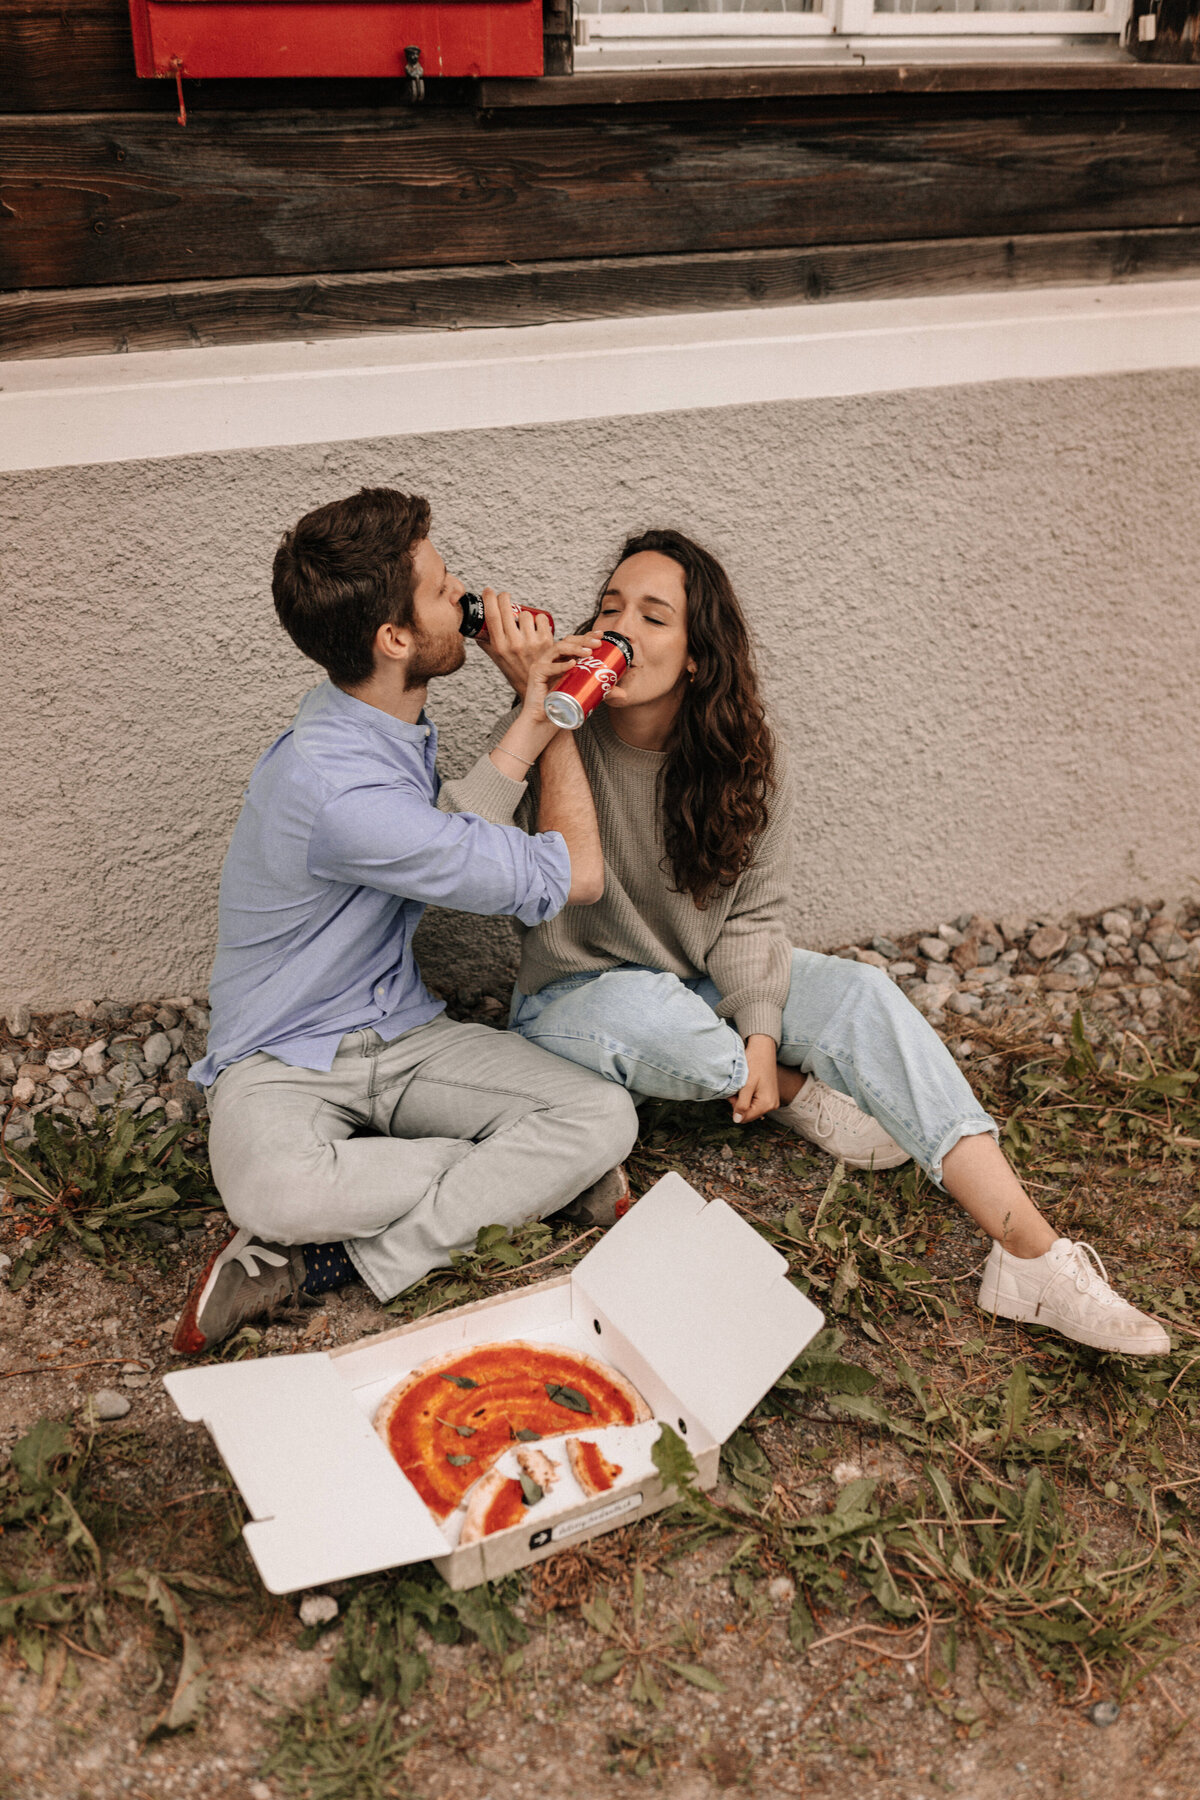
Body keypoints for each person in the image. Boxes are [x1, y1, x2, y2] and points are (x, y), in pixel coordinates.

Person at [467, 528, 1169, 1357]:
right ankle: (791, 1091)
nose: (622, 629)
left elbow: (754, 919)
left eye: (654, 618)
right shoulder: (555, 726)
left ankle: (1032, 1257)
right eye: (611, 609)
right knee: (682, 1037)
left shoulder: (741, 760)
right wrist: (545, 717)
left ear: (697, 657)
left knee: (863, 994)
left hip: (691, 985)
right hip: (575, 1000)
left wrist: (760, 1027)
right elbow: (462, 846)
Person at [173, 487, 637, 1357]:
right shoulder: (339, 791)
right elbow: (576, 873)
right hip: (285, 1059)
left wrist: (537, 709)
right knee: (275, 1190)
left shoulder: (362, 722)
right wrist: (560, 717)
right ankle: (514, 1182)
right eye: (439, 587)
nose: (465, 594)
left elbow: (446, 828)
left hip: (404, 1033)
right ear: (392, 639)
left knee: (603, 1117)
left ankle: (331, 1265)